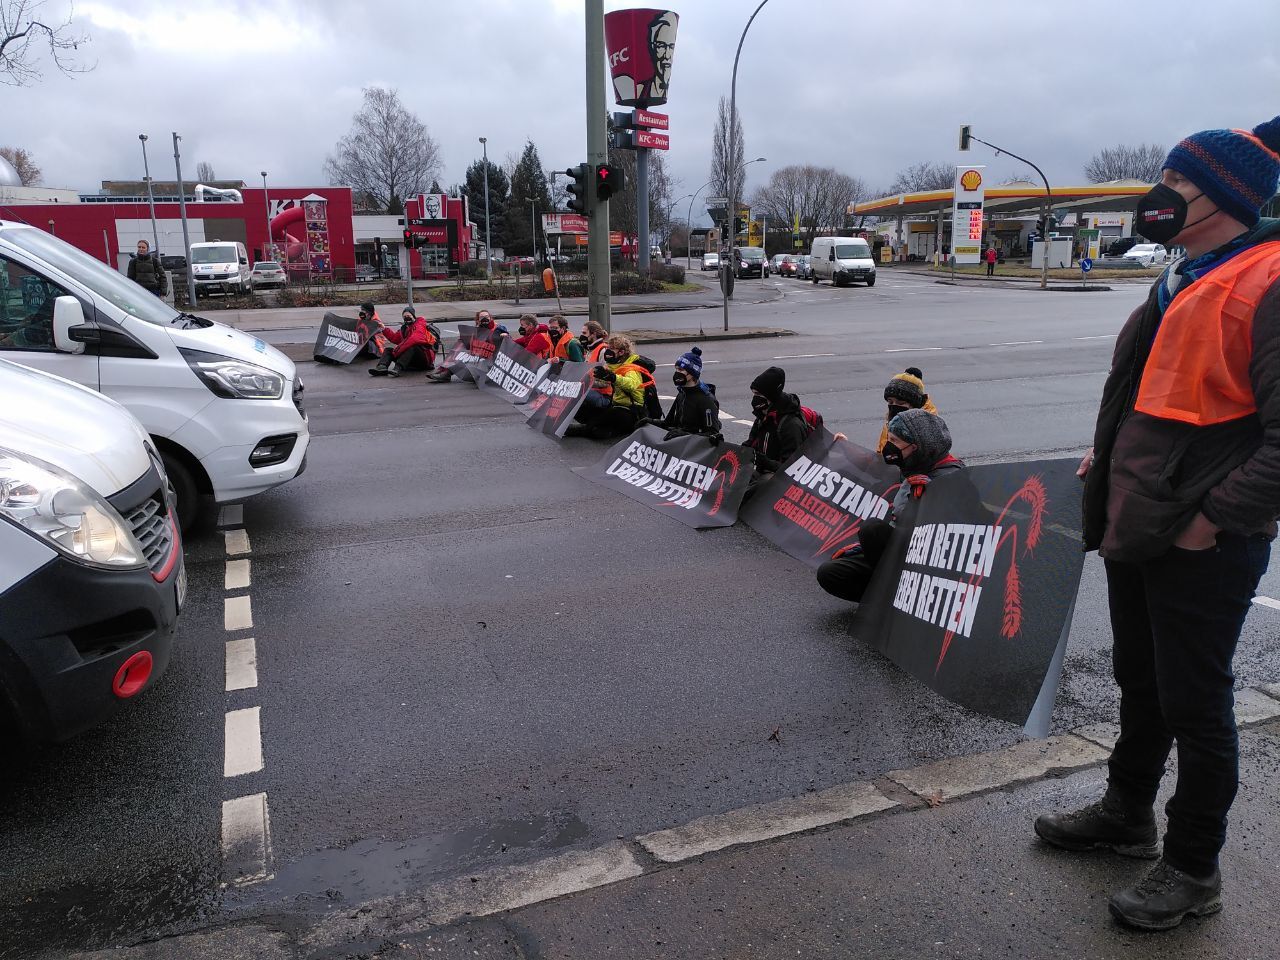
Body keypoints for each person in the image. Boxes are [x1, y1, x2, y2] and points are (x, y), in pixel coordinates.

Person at [1034, 115, 1280, 932]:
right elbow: (1159, 402)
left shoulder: (1269, 280)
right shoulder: (1184, 274)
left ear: (1225, 197)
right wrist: (1104, 469)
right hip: (1140, 520)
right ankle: (1126, 814)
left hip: (1200, 541)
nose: (1159, 193)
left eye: (1177, 183)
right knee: (1141, 685)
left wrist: (1211, 522)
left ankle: (1192, 868)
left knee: (1197, 706)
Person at [816, 409, 963, 603]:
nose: (888, 446)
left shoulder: (952, 478)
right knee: (830, 573)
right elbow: (873, 480)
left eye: (894, 441)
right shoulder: (912, 466)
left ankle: (907, 601)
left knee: (872, 529)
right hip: (899, 554)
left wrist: (931, 498)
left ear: (916, 446)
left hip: (928, 564)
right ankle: (888, 601)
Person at [567, 334, 653, 439]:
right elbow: (604, 382)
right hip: (616, 405)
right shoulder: (614, 366)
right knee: (583, 408)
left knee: (605, 419)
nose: (608, 351)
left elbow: (631, 385)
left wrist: (613, 377)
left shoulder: (631, 368)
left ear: (621, 352)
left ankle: (583, 429)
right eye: (608, 348)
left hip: (631, 411)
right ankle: (599, 427)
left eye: (612, 349)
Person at [744, 366, 808, 474]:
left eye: (758, 394)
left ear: (771, 396)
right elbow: (749, 445)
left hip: (779, 483)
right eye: (754, 393)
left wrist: (764, 462)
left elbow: (792, 468)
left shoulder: (791, 425)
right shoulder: (763, 416)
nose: (755, 399)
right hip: (763, 473)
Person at [426, 309, 507, 382]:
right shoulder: (476, 331)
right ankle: (446, 371)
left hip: (491, 361)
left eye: (486, 316)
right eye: (482, 317)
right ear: (478, 320)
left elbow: (508, 341)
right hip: (478, 360)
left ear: (491, 318)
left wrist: (504, 335)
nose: (485, 318)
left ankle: (446, 372)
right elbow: (467, 346)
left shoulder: (498, 329)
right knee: (460, 351)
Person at [656, 347, 720, 437]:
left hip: (692, 449)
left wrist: (685, 435)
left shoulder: (706, 399)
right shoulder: (682, 393)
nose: (677, 372)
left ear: (692, 373)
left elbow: (712, 433)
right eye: (676, 369)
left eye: (681, 370)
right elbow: (669, 423)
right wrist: (650, 422)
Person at [874, 368, 940, 452]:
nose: (894, 406)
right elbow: (882, 448)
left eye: (900, 403)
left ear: (914, 405)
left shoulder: (925, 426)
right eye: (890, 402)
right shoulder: (891, 420)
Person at [370, 307, 436, 377]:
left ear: (413, 316)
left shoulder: (420, 325)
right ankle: (382, 367)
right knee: (388, 350)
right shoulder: (404, 328)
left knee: (412, 347)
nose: (407, 318)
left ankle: (397, 368)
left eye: (408, 316)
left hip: (424, 360)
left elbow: (414, 339)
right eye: (404, 316)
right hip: (411, 360)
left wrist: (397, 350)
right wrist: (384, 329)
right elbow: (394, 338)